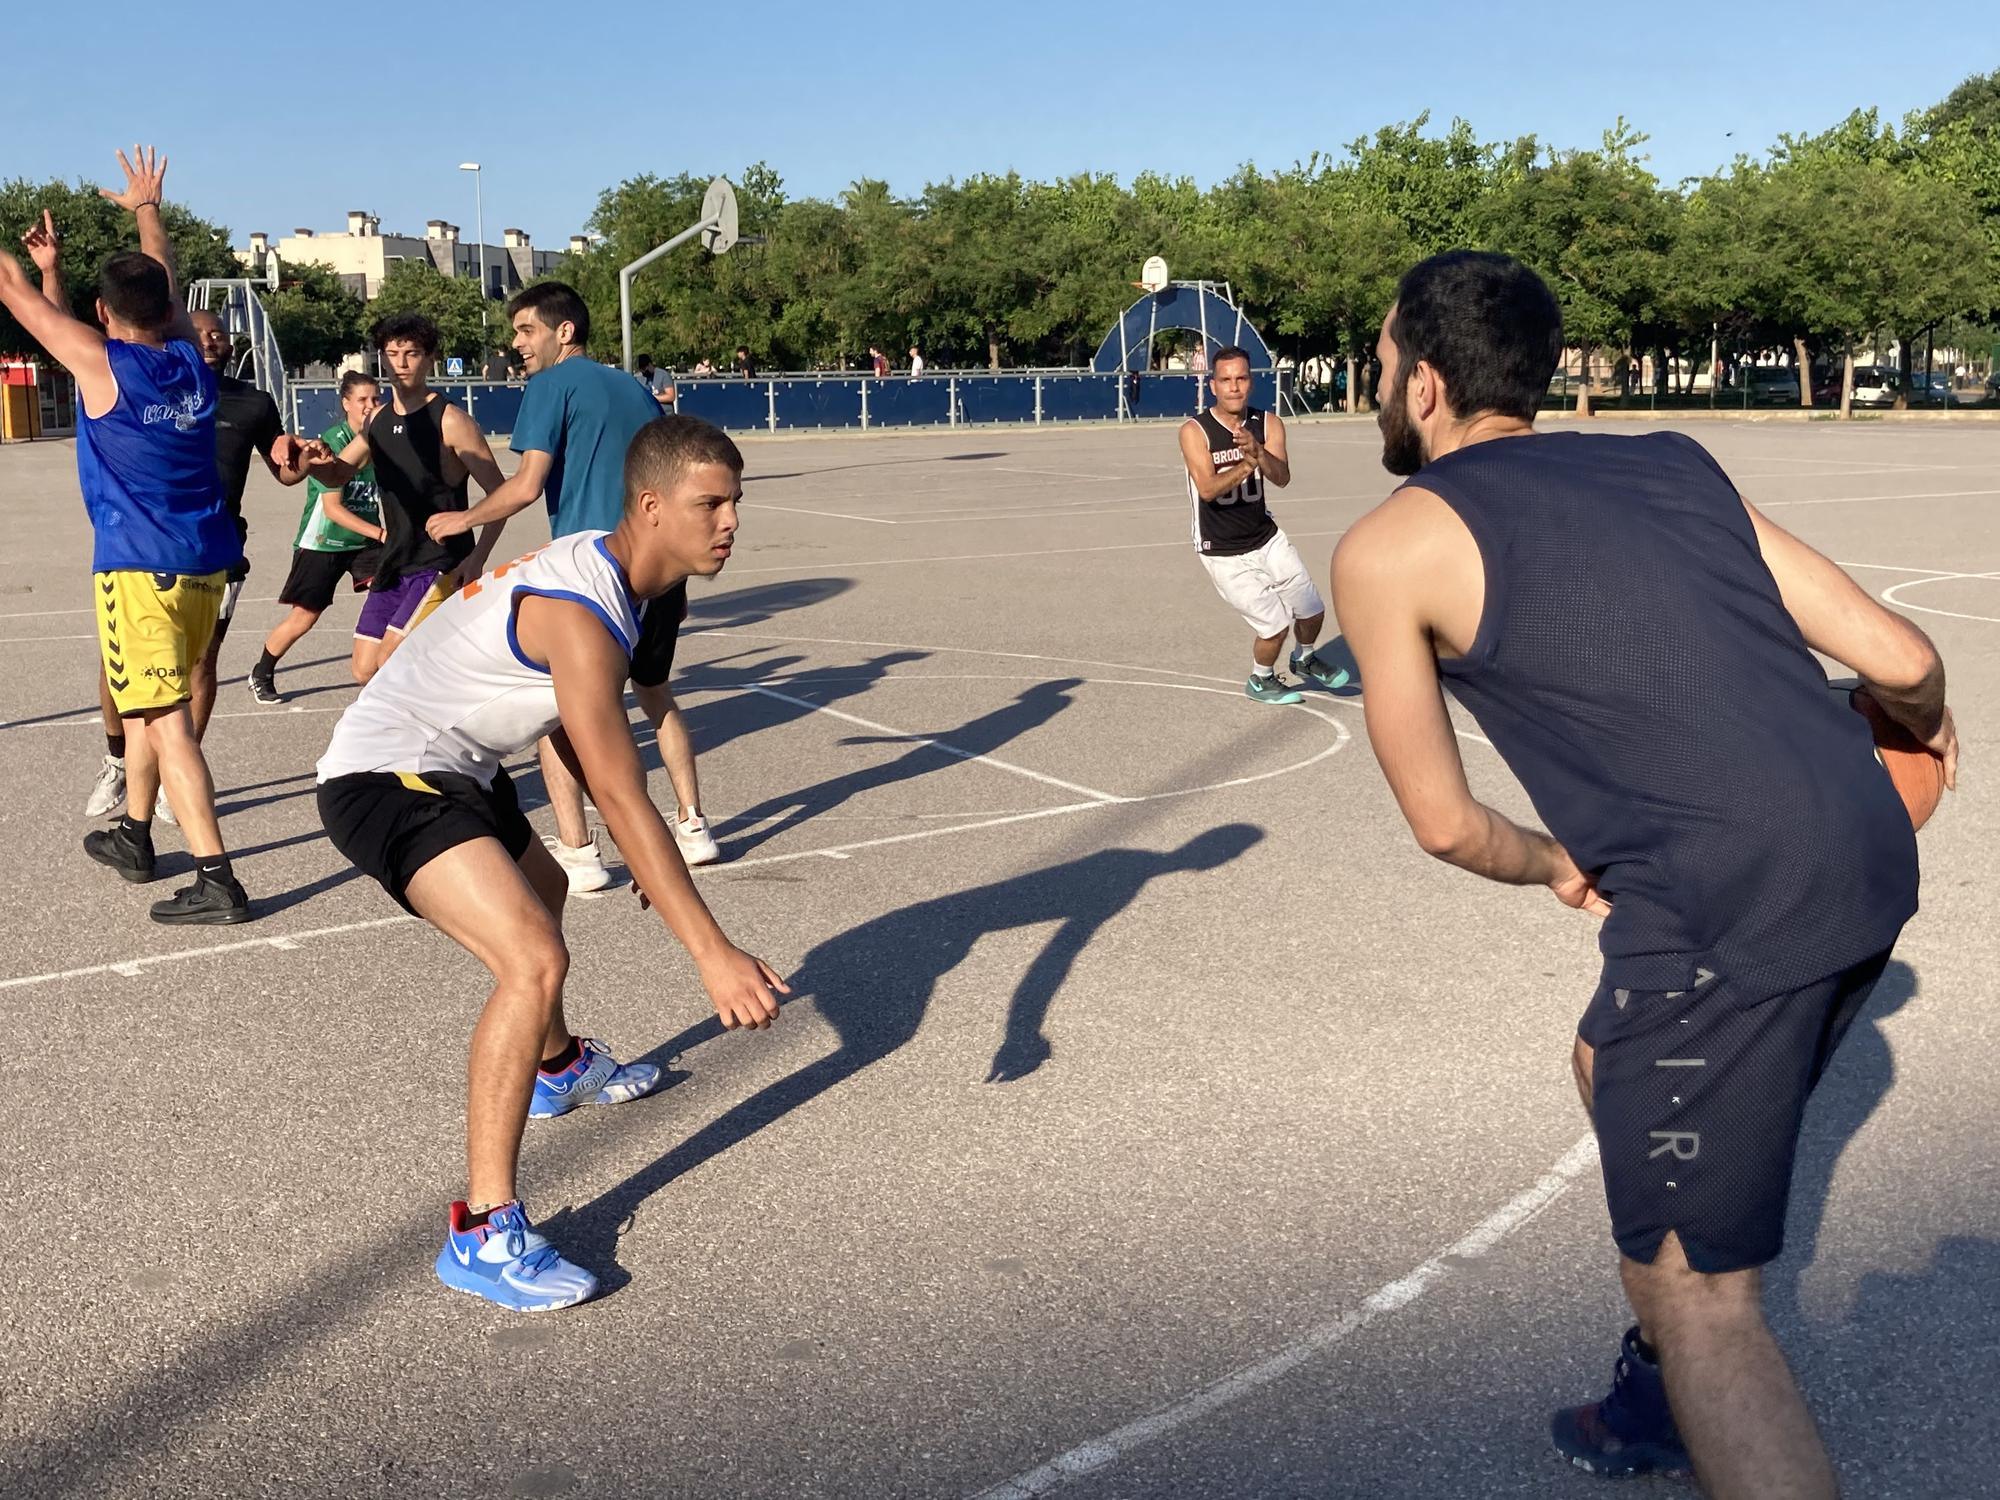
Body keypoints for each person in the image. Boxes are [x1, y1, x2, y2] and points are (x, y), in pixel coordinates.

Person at [1330, 251, 1956, 1498]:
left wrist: (1556, 861)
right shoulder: (1673, 460)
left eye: (1384, 362)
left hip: (1725, 906)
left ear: (1429, 386)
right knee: (1606, 1059)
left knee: (1704, 1304)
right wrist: (1923, 728)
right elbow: (1897, 654)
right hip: (1861, 859)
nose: (1376, 383)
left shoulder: (1389, 547)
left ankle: (1679, 1369)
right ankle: (1666, 1349)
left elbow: (1447, 826)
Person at [315, 414, 786, 1310]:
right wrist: (712, 955)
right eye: (709, 504)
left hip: (454, 761)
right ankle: (484, 1232)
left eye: (736, 502)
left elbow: (573, 726)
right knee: (531, 957)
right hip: (382, 776)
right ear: (650, 507)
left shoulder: (614, 570)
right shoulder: (584, 615)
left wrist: (650, 868)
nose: (730, 521)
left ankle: (558, 1065)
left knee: (545, 886)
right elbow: (620, 790)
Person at [0, 147, 256, 923]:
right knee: (152, 707)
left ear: (104, 316)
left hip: (139, 571)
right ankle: (136, 837)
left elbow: (14, 299)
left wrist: (33, 275)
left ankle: (218, 878)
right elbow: (159, 281)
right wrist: (147, 209)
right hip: (204, 567)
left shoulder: (104, 365)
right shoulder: (190, 363)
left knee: (165, 722)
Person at [426, 282, 722, 890]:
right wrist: (681, 577)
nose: (517, 344)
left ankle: (580, 850)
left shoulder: (550, 386)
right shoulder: (636, 389)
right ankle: (693, 826)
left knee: (559, 713)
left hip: (590, 577)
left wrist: (465, 518)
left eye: (525, 330)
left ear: (564, 332)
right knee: (656, 693)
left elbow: (526, 484)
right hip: (654, 569)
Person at [299, 313, 509, 685]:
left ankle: (438, 736)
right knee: (365, 670)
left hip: (440, 562)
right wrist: (311, 462)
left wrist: (478, 557)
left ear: (430, 359)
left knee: (392, 662)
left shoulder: (450, 421)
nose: (400, 363)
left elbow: (501, 494)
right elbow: (337, 475)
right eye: (392, 353)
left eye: (411, 353)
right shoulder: (375, 420)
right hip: (395, 562)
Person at [1179, 346, 1345, 704]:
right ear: (1213, 386)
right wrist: (1246, 463)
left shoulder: (1268, 423)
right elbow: (1207, 489)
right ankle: (1260, 680)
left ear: (1251, 382)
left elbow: (1282, 477)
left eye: (1241, 378)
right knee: (1274, 626)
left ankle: (1304, 658)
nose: (1234, 387)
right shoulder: (1195, 431)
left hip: (1265, 537)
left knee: (1312, 609)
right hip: (1222, 549)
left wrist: (1259, 451)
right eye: (1225, 380)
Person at [248, 371, 383, 703]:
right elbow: (333, 509)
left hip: (364, 542)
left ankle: (384, 676)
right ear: (346, 403)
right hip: (324, 541)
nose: (370, 406)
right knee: (304, 617)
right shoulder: (331, 441)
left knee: (387, 599)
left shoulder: (381, 437)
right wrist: (381, 532)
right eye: (362, 400)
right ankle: (261, 671)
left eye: (376, 399)